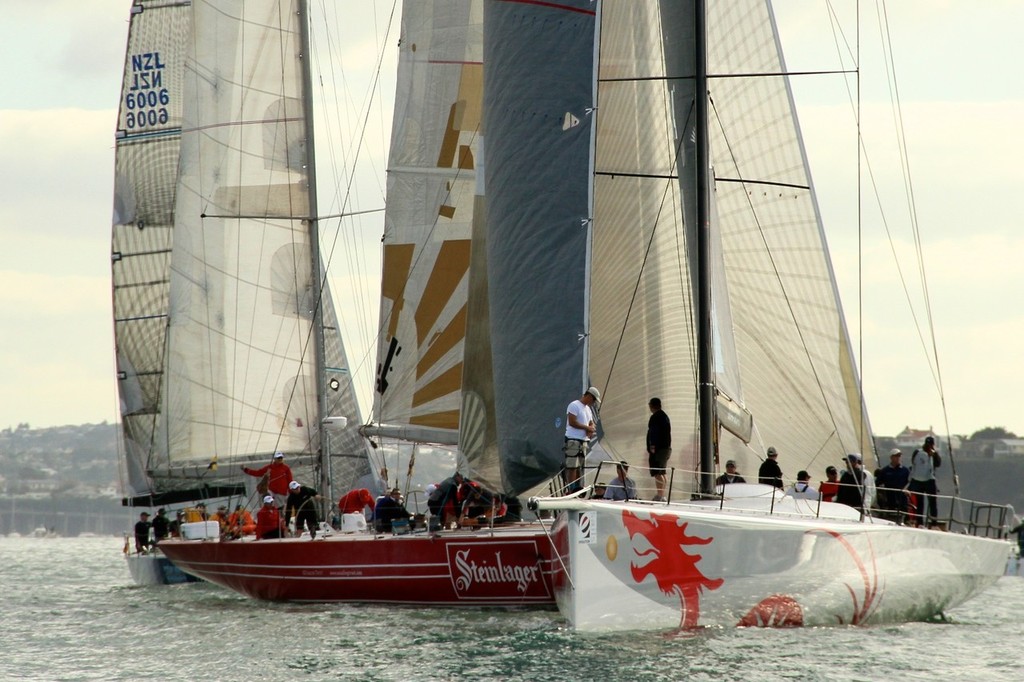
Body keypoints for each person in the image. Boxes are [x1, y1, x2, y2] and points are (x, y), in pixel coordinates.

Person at [563, 387, 600, 494]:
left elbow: (590, 422)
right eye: (593, 400)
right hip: (573, 439)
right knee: (572, 466)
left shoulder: (587, 409)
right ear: (589, 396)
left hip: (583, 441)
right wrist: (587, 428)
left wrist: (591, 427)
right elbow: (572, 422)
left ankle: (578, 488)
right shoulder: (574, 405)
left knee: (580, 467)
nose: (593, 403)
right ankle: (571, 489)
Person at [909, 436, 941, 527]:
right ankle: (925, 523)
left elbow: (938, 463)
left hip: (924, 480)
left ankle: (927, 523)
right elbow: (938, 464)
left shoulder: (919, 452)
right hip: (925, 480)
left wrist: (934, 455)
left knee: (928, 502)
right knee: (926, 502)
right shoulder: (921, 452)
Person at [646, 397, 672, 501]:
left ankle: (660, 495)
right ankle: (662, 494)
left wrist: (652, 446)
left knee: (657, 472)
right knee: (662, 472)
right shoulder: (665, 416)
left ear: (652, 405)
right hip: (665, 449)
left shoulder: (656, 417)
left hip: (658, 449)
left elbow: (654, 432)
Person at [876, 448, 911, 523]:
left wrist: (907, 490)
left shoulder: (905, 470)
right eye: (896, 456)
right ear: (891, 457)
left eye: (899, 456)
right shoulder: (885, 470)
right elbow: (877, 483)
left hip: (902, 499)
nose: (898, 458)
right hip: (890, 499)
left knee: (903, 516)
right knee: (890, 517)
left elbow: (910, 482)